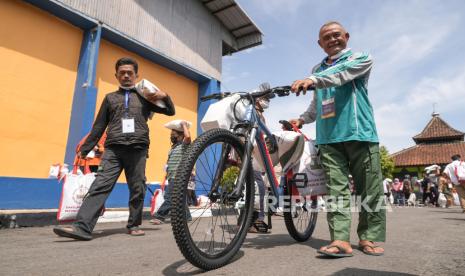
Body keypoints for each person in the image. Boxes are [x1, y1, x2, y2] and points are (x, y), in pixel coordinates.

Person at [289, 21, 386, 257]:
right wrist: (302, 120)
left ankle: (369, 237)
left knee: (369, 190)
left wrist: (314, 79)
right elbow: (316, 103)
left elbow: (340, 76)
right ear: (320, 44)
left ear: (346, 36)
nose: (333, 40)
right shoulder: (317, 69)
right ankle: (340, 240)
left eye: (336, 35)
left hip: (360, 133)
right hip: (328, 139)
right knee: (336, 191)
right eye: (327, 38)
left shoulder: (360, 59)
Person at [53, 57, 175, 240]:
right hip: (113, 150)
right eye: (122, 73)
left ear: (136, 75)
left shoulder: (144, 97)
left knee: (137, 188)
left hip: (138, 148)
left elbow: (169, 111)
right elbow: (99, 126)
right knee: (100, 185)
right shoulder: (110, 98)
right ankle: (82, 228)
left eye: (130, 73)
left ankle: (134, 224)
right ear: (116, 75)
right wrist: (85, 149)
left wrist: (165, 96)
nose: (126, 76)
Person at [150, 120, 191, 225]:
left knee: (170, 197)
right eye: (171, 134)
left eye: (174, 134)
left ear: (181, 136)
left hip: (179, 176)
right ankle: (187, 217)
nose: (172, 136)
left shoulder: (184, 145)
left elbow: (188, 137)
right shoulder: (173, 147)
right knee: (180, 198)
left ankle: (160, 216)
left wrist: (183, 125)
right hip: (172, 176)